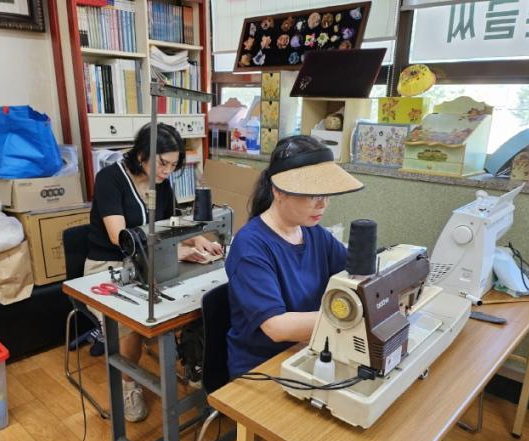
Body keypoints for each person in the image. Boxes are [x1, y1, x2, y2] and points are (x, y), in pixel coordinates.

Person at [86, 123, 223, 421]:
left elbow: (172, 225)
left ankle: (194, 363)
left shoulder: (161, 183)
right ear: (141, 154)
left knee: (198, 299)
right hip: (108, 267)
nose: (167, 172)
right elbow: (119, 237)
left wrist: (198, 239)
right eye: (163, 163)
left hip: (151, 261)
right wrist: (174, 252)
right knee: (133, 323)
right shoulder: (110, 179)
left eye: (173, 165)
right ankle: (128, 384)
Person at [225, 135, 364, 378]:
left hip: (308, 349)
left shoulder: (314, 233)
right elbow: (277, 327)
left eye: (326, 195)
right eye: (313, 195)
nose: (323, 204)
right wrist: (355, 316)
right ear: (279, 191)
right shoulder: (251, 247)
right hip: (263, 368)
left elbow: (355, 272)